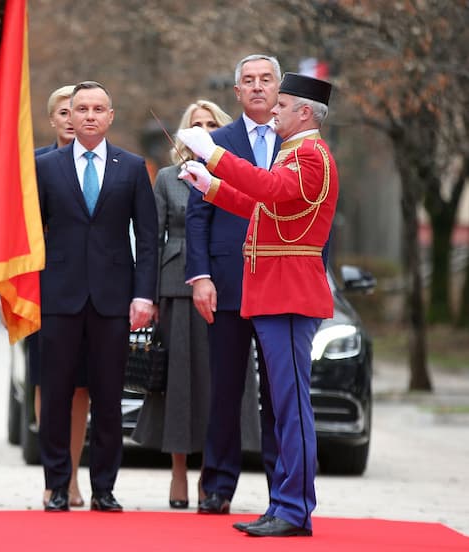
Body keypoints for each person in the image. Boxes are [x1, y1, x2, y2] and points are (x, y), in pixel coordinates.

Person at [178, 71, 338, 537]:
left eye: (283, 105)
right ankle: (286, 504)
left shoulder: (310, 156)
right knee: (285, 406)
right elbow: (263, 206)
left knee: (291, 408)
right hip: (276, 291)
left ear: (305, 112)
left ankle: (294, 509)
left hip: (289, 293)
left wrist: (214, 153)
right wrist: (209, 185)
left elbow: (268, 192)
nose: (273, 111)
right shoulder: (297, 155)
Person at [35, 80, 158, 512]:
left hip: (113, 300)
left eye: (98, 108)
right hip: (59, 297)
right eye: (81, 108)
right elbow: (31, 235)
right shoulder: (47, 167)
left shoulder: (132, 167)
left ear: (111, 116)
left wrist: (145, 296)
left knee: (108, 398)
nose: (89, 115)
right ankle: (56, 486)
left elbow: (147, 240)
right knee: (55, 395)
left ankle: (104, 488)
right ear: (70, 113)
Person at [184, 54, 283, 516]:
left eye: (266, 79)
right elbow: (198, 215)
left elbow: (319, 217)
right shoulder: (215, 144)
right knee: (225, 387)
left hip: (281, 283)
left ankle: (282, 489)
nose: (258, 87)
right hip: (226, 283)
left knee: (278, 392)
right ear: (237, 91)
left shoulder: (297, 144)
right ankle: (218, 486)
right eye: (249, 80)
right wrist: (200, 276)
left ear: (279, 88)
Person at [131, 100, 232, 510]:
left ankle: (213, 475)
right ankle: (177, 474)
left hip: (222, 289)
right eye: (196, 124)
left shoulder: (235, 175)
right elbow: (151, 240)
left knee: (215, 386)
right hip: (175, 288)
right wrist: (149, 296)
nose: (204, 128)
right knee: (178, 386)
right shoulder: (169, 179)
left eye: (211, 123)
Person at [30, 85, 90, 508]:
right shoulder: (35, 165)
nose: (72, 119)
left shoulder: (107, 164)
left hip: (93, 292)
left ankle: (73, 475)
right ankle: (53, 474)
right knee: (48, 384)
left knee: (82, 387)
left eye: (79, 111)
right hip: (45, 289)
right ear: (52, 119)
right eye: (63, 112)